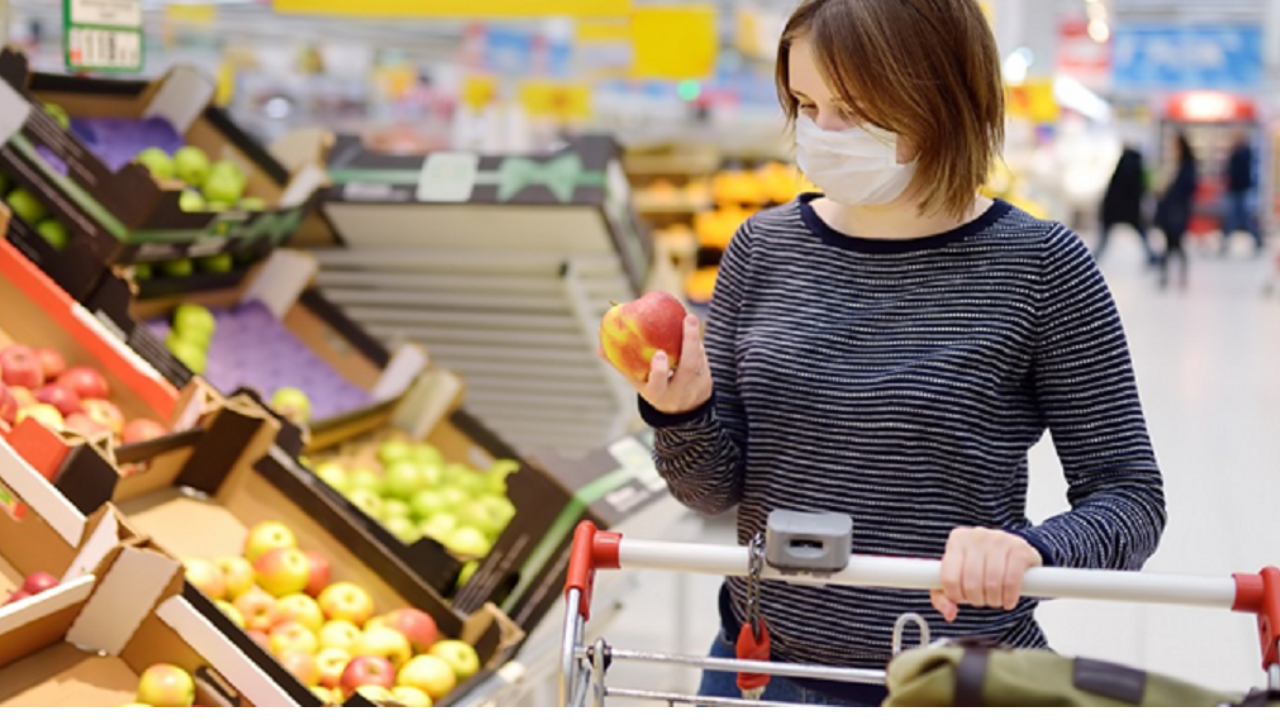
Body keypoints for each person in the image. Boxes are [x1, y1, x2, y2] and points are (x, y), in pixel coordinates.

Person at [600, 0, 1166, 707]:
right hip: (756, 670)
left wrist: (1034, 551)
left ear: (944, 100)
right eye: (806, 103)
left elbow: (1131, 499)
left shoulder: (1040, 268)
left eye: (858, 110)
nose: (823, 133)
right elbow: (712, 493)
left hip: (950, 680)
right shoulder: (762, 250)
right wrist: (682, 414)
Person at [1097, 142, 1157, 265]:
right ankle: (1151, 256)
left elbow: (1114, 189)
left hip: (1115, 208)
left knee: (1104, 238)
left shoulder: (1123, 165)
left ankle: (1092, 257)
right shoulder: (1136, 166)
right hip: (1129, 209)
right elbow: (1139, 189)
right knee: (1141, 233)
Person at [1155, 134, 1198, 289]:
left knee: (1175, 244)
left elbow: (1186, 189)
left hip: (1177, 211)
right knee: (1171, 245)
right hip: (1173, 210)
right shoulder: (1179, 165)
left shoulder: (1187, 167)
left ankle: (1173, 277)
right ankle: (1169, 277)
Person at [1221, 131, 1264, 255]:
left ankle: (1256, 237)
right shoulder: (1238, 152)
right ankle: (1226, 239)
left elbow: (1238, 173)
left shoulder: (1244, 153)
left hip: (1239, 189)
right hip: (1236, 189)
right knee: (1235, 217)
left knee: (1239, 216)